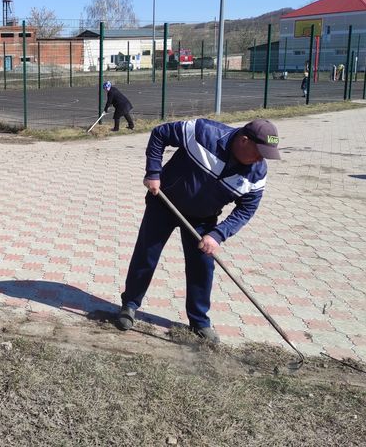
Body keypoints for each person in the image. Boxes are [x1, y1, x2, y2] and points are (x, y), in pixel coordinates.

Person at [116, 118, 281, 343]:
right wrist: (153, 172)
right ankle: (130, 305)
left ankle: (199, 321)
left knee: (202, 267)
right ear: (244, 140)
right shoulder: (204, 132)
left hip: (202, 220)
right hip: (164, 203)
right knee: (147, 254)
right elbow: (160, 134)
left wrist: (218, 234)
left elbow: (247, 208)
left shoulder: (257, 173)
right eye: (260, 152)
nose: (261, 159)